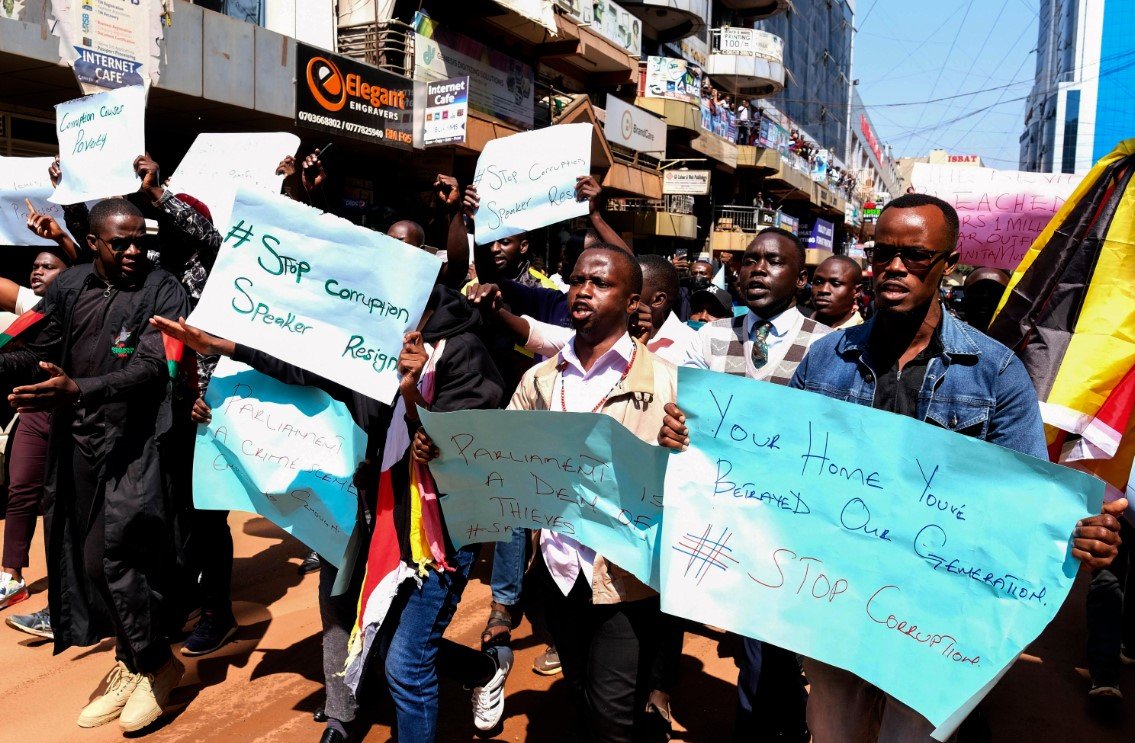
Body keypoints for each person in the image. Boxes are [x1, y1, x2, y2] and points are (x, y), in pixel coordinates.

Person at [663, 193, 1127, 740]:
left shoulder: (996, 373)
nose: (895, 268)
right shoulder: (826, 357)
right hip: (832, 596)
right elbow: (780, 463)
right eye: (883, 254)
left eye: (916, 256)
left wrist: (1079, 530)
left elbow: (1026, 500)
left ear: (948, 263)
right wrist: (698, 440)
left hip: (935, 617)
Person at [417, 245, 676, 741]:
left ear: (632, 303)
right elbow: (499, 453)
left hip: (624, 576)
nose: (582, 291)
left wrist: (679, 447)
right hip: (558, 568)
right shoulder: (539, 378)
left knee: (612, 715)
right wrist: (441, 445)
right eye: (577, 280)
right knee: (580, 687)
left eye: (600, 284)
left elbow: (692, 479)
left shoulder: (666, 382)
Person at [0, 198, 190, 731]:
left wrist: (78, 388)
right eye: (120, 242)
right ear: (94, 240)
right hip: (79, 443)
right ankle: (132, 660)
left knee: (120, 554)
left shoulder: (164, 288)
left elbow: (154, 368)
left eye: (140, 241)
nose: (133, 251)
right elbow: (35, 344)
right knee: (85, 561)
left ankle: (157, 665)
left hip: (137, 445)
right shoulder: (68, 286)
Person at [686, 227, 829, 741]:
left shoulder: (826, 345)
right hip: (729, 518)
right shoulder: (708, 338)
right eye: (749, 261)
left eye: (773, 261)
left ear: (800, 277)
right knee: (753, 633)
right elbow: (687, 414)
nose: (758, 269)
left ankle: (784, 722)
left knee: (785, 638)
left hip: (799, 524)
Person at [0, 247, 70, 614]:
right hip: (34, 414)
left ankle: (69, 587)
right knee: (21, 489)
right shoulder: (31, 306)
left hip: (75, 415)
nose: (38, 272)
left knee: (64, 501)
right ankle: (11, 577)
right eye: (35, 266)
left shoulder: (79, 302)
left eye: (49, 266)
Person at [810, 255, 864, 329]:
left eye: (835, 284)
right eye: (818, 282)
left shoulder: (867, 337)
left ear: (857, 291)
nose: (823, 290)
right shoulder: (795, 327)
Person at [961, 267, 1011, 333]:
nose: (985, 298)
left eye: (995, 292)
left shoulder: (1024, 341)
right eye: (978, 291)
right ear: (964, 301)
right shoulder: (951, 336)